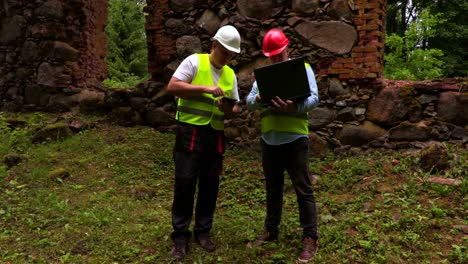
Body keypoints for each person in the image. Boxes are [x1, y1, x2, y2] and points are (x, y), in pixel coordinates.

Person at [166, 25, 242, 261]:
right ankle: (180, 236)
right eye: (225, 52)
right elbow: (173, 86)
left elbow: (235, 108)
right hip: (190, 131)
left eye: (231, 55)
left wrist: (227, 108)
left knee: (210, 184)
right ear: (214, 45)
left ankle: (203, 231)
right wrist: (206, 89)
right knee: (185, 182)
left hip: (215, 135)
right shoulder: (194, 62)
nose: (227, 58)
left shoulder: (230, 75)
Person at [246, 28, 320, 263]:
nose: (276, 58)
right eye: (272, 55)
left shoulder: (302, 69)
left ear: (287, 48)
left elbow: (314, 99)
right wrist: (259, 99)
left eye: (279, 53)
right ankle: (271, 230)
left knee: (303, 190)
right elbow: (248, 102)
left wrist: (293, 108)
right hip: (270, 141)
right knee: (273, 188)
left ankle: (310, 237)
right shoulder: (263, 77)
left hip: (295, 140)